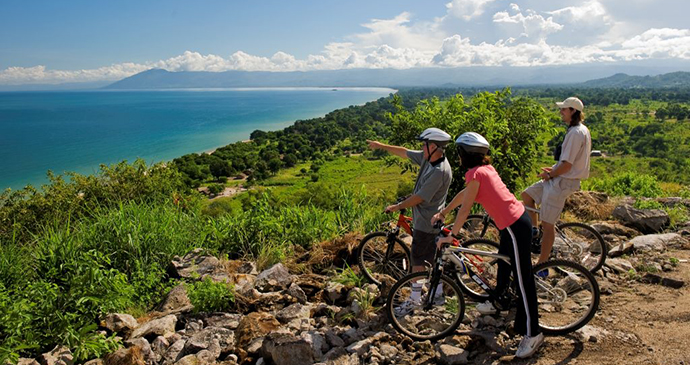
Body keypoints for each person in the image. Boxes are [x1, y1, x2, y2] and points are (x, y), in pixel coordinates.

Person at [434, 132, 543, 359]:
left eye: (459, 153)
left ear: (465, 154)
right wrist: (444, 212)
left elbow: (465, 209)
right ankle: (498, 301)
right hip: (513, 222)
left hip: (514, 226)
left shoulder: (476, 173)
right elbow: (465, 196)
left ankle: (534, 333)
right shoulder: (483, 170)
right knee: (504, 264)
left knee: (523, 279)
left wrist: (451, 235)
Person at [367, 128, 453, 311]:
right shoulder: (428, 158)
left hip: (426, 222)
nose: (421, 147)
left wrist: (397, 207)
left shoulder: (439, 171)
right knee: (431, 259)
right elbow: (404, 152)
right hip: (427, 220)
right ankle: (437, 295)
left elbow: (420, 197)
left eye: (424, 144)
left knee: (418, 261)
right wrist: (381, 146)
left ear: (433, 146)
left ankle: (414, 300)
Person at [521, 97, 592, 264]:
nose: (561, 112)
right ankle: (534, 231)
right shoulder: (578, 130)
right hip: (559, 177)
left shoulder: (575, 133)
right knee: (527, 196)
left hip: (562, 182)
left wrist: (551, 174)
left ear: (573, 111)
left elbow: (567, 165)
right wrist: (553, 170)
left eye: (564, 109)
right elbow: (565, 163)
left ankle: (542, 264)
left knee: (548, 224)